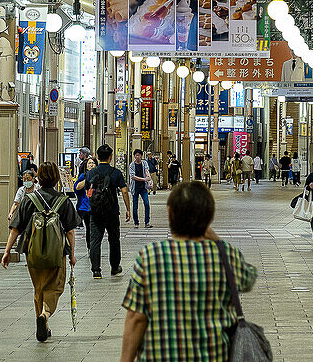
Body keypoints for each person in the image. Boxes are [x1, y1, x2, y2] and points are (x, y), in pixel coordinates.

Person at [119, 181, 257, 362]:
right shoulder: (226, 255)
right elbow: (248, 278)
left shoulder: (151, 257)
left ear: (169, 214)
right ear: (209, 217)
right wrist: (215, 239)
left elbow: (136, 317)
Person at [2, 162, 80, 342]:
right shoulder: (63, 200)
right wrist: (72, 254)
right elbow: (69, 231)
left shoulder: (29, 199)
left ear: (38, 178)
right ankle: (44, 315)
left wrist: (7, 251)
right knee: (55, 286)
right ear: (56, 178)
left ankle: (43, 324)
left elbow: (15, 228)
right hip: (56, 253)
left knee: (39, 287)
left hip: (32, 252)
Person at [75, 144, 130, 279]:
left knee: (95, 240)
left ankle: (96, 270)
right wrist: (128, 209)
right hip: (112, 211)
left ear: (98, 157)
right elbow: (124, 191)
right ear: (111, 157)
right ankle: (115, 268)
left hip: (95, 211)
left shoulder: (91, 173)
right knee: (114, 239)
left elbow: (88, 191)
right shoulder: (116, 173)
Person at [129, 149, 152, 228]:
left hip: (143, 188)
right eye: (136, 155)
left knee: (146, 203)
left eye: (139, 155)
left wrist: (148, 178)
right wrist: (144, 179)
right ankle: (136, 222)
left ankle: (147, 222)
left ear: (141, 156)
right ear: (134, 156)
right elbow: (133, 177)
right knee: (135, 206)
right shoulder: (132, 165)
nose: (137, 157)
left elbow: (146, 171)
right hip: (135, 188)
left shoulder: (144, 163)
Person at [75, 157, 97, 235]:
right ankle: (90, 246)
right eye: (89, 163)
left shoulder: (98, 175)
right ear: (86, 166)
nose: (91, 165)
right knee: (89, 228)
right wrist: (87, 177)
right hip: (86, 206)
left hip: (97, 205)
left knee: (96, 229)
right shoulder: (83, 176)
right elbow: (77, 187)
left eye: (93, 163)